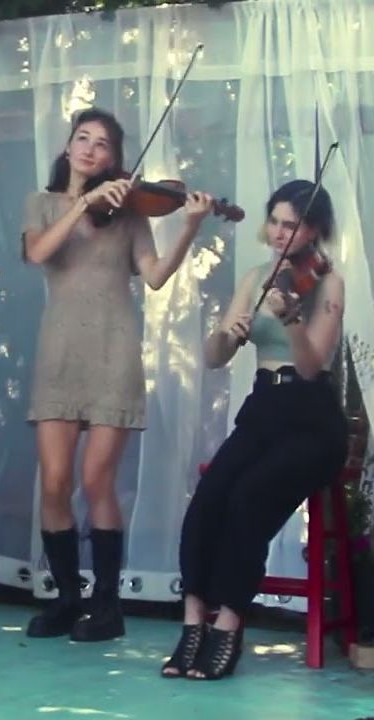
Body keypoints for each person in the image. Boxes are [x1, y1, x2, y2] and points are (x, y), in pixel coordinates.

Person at [21, 107, 214, 642]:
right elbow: (37, 252)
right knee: (54, 483)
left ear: (114, 159)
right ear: (67, 147)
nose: (89, 148)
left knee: (95, 480)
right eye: (82, 138)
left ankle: (107, 607)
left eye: (102, 143)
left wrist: (190, 227)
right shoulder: (42, 203)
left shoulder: (129, 214)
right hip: (59, 354)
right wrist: (82, 203)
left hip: (114, 354)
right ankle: (67, 599)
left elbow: (155, 277)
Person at [162, 180, 347, 680]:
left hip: (312, 420)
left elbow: (311, 367)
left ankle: (228, 624)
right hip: (263, 410)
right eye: (276, 222)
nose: (281, 233)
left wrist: (290, 321)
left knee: (249, 498)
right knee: (208, 498)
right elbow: (213, 357)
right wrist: (227, 335)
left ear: (314, 231)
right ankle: (193, 623)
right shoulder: (255, 278)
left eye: (294, 226)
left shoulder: (327, 282)